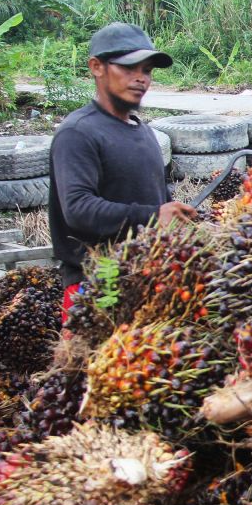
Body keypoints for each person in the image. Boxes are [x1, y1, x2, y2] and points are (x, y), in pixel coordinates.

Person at [49, 22, 196, 320]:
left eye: (147, 70)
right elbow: (77, 209)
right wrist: (154, 216)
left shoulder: (144, 132)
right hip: (96, 287)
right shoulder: (78, 133)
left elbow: (156, 197)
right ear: (97, 67)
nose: (140, 79)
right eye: (129, 68)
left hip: (145, 279)